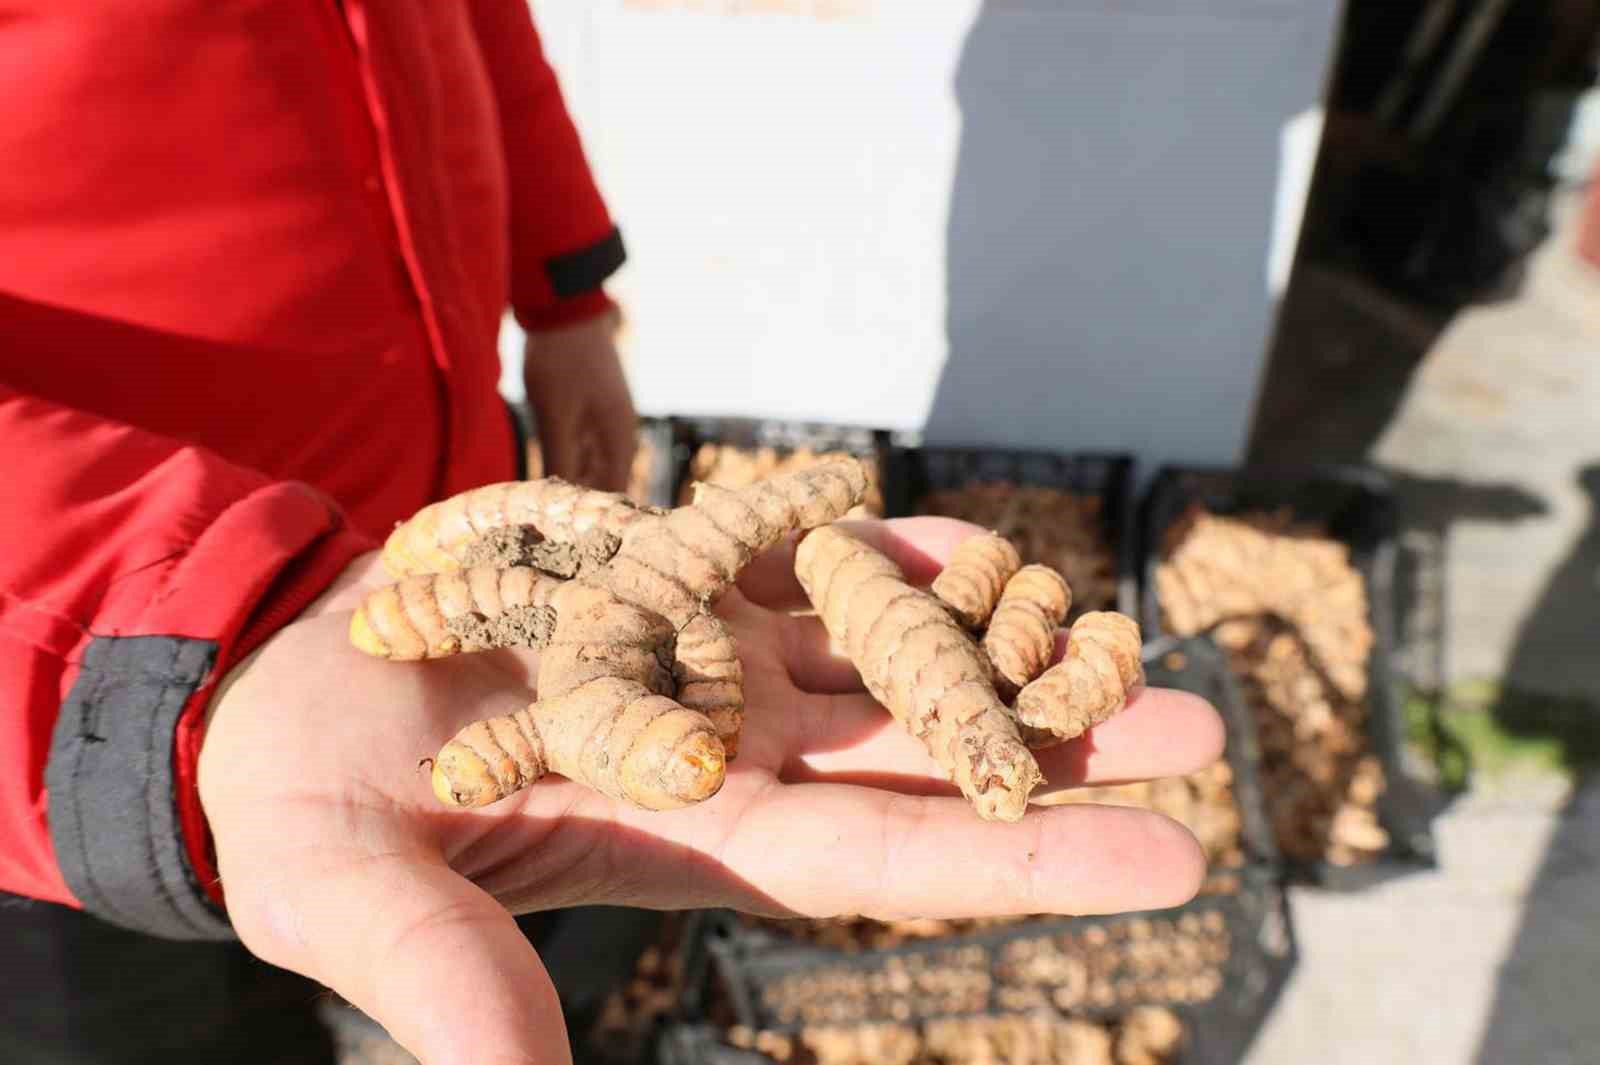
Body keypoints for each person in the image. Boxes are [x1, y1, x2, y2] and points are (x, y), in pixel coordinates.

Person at [0, 4, 1223, 1063]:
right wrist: (154, 659)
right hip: (85, 711)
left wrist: (563, 281)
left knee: (532, 920)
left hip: (436, 552)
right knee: (155, 1029)